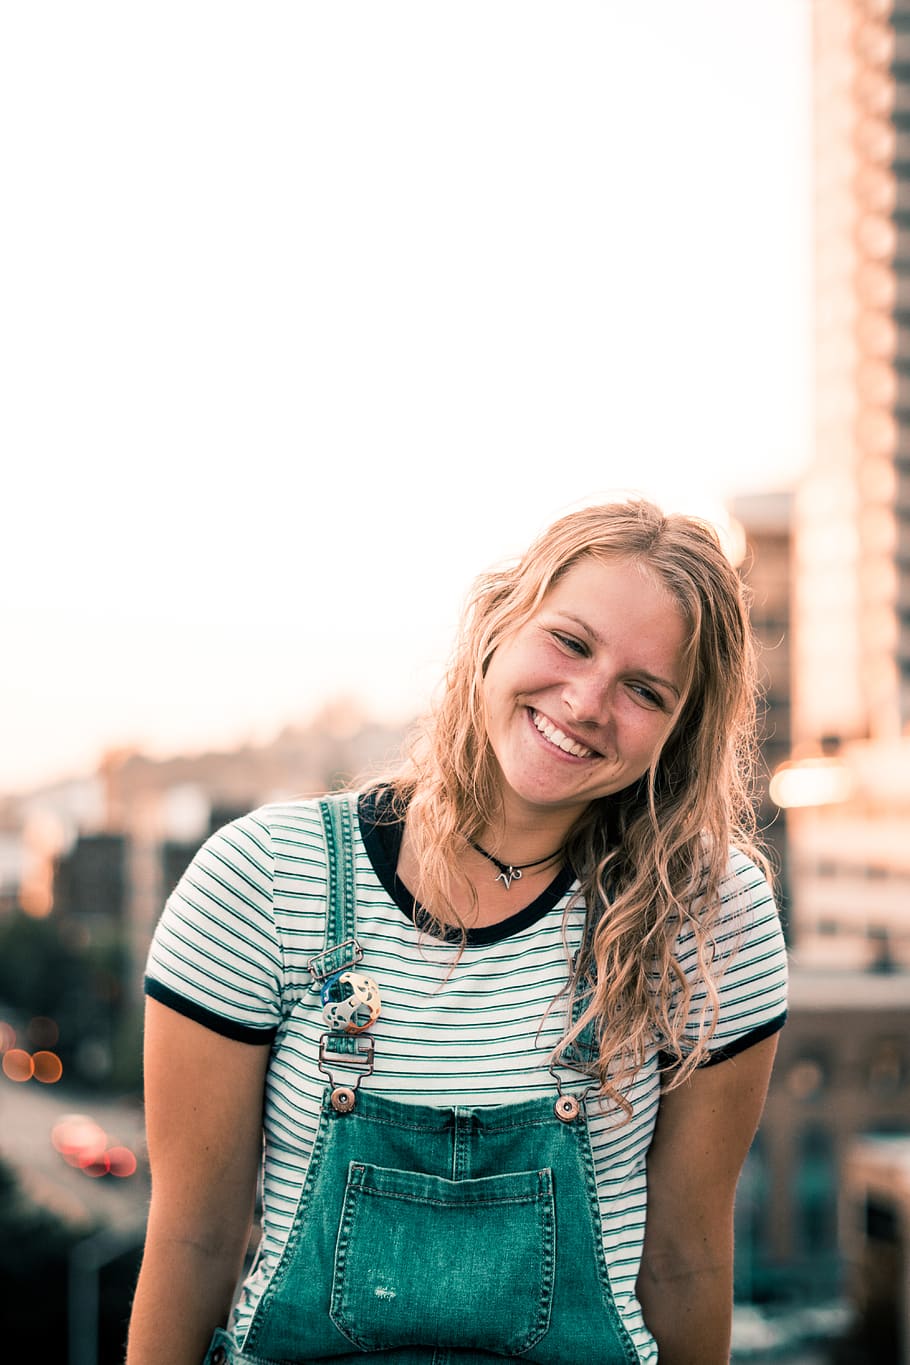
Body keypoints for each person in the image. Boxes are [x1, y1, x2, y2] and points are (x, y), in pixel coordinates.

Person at [126, 499, 788, 1365]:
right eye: (571, 642)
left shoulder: (709, 910)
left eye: (644, 689)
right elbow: (193, 1243)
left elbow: (687, 1260)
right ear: (497, 624)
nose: (586, 701)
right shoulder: (261, 879)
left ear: (678, 734)